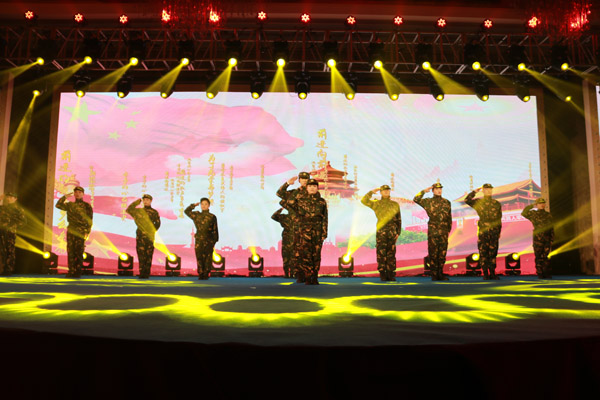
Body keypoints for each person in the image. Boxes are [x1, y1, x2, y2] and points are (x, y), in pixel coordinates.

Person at [283, 179, 327, 285]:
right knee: (305, 255)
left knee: (316, 255)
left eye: (314, 186)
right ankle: (307, 277)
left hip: (317, 231)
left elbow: (325, 218)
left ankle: (315, 276)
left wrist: (324, 232)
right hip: (304, 231)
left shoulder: (321, 201)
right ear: (306, 188)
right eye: (310, 186)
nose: (312, 188)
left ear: (317, 188)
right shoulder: (300, 200)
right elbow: (289, 202)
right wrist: (297, 189)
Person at [361, 185, 402, 281]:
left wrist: (398, 232)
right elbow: (364, 200)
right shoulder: (377, 204)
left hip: (392, 232)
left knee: (391, 253)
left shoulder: (395, 204)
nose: (386, 192)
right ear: (380, 192)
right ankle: (382, 273)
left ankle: (391, 273)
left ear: (390, 191)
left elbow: (399, 219)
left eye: (387, 190)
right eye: (384, 190)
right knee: (381, 253)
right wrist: (372, 191)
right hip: (381, 231)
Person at [414, 183, 452, 281]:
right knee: (433, 253)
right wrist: (423, 191)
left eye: (440, 189)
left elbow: (449, 217)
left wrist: (448, 230)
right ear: (433, 190)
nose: (439, 190)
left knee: (442, 253)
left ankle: (440, 273)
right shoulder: (428, 201)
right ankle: (434, 275)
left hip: (443, 231)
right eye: (436, 189)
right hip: (433, 230)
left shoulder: (447, 202)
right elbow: (416, 199)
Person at [276, 171, 310, 282]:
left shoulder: (311, 193)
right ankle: (292, 273)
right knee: (291, 250)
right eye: (302, 179)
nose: (304, 181)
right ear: (299, 180)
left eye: (306, 179)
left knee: (304, 251)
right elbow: (279, 193)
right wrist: (287, 184)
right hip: (293, 226)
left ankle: (302, 273)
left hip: (305, 226)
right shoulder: (294, 192)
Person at [464, 184, 502, 280]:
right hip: (483, 231)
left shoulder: (496, 203)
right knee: (483, 251)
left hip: (494, 231)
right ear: (483, 191)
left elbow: (499, 218)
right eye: (486, 189)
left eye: (490, 189)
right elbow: (467, 200)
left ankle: (492, 272)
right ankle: (485, 273)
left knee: (493, 252)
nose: (488, 191)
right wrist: (474, 192)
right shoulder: (479, 202)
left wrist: (499, 231)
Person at [55, 186, 93, 278]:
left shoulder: (87, 206)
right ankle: (71, 271)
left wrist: (87, 231)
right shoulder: (70, 205)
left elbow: (90, 220)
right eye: (76, 192)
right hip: (71, 229)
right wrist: (65, 197)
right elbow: (58, 205)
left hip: (81, 230)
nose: (77, 194)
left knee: (79, 251)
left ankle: (78, 271)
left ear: (83, 194)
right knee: (71, 251)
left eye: (79, 192)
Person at [126, 194, 161, 279]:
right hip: (140, 236)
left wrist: (151, 231)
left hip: (150, 236)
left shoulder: (154, 212)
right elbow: (128, 210)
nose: (146, 201)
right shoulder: (138, 211)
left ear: (151, 201)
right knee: (141, 254)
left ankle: (147, 273)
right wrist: (136, 202)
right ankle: (142, 273)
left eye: (147, 200)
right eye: (144, 200)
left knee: (149, 255)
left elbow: (158, 223)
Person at [185, 198, 219, 280]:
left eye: (206, 204)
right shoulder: (197, 215)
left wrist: (214, 241)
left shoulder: (212, 217)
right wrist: (193, 205)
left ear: (209, 205)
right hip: (199, 239)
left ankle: (206, 273)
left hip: (209, 240)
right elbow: (186, 211)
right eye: (202, 204)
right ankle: (200, 273)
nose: (204, 206)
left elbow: (215, 230)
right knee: (199, 257)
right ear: (200, 205)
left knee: (208, 257)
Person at [522, 198, 554, 279]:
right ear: (537, 205)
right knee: (538, 256)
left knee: (545, 256)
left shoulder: (548, 215)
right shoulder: (534, 213)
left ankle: (546, 272)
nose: (542, 205)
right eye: (540, 203)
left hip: (547, 238)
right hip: (538, 238)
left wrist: (552, 238)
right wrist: (532, 205)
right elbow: (524, 213)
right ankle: (540, 273)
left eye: (543, 203)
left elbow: (551, 227)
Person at [0, 193, 26, 276]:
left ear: (15, 199)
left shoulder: (18, 209)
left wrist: (12, 225)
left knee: (10, 250)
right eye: (8, 197)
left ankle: (8, 269)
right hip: (2, 232)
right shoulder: (3, 208)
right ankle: (2, 268)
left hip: (10, 232)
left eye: (11, 197)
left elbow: (23, 222)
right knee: (2, 250)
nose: (9, 198)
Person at [271, 201, 294, 278]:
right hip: (292, 239)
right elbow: (273, 216)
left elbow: (274, 216)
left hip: (289, 239)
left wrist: (281, 209)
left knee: (287, 257)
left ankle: (288, 274)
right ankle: (290, 274)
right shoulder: (296, 218)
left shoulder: (284, 217)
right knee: (291, 257)